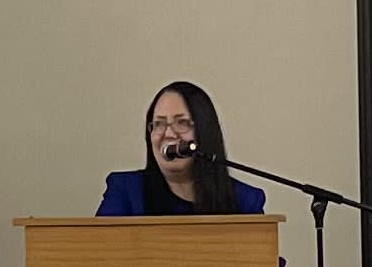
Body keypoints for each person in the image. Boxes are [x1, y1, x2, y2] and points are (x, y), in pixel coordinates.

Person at [96, 81, 267, 216]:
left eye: (182, 123)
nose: (168, 134)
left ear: (205, 132)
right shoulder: (126, 191)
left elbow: (265, 259)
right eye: (159, 124)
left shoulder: (246, 201)